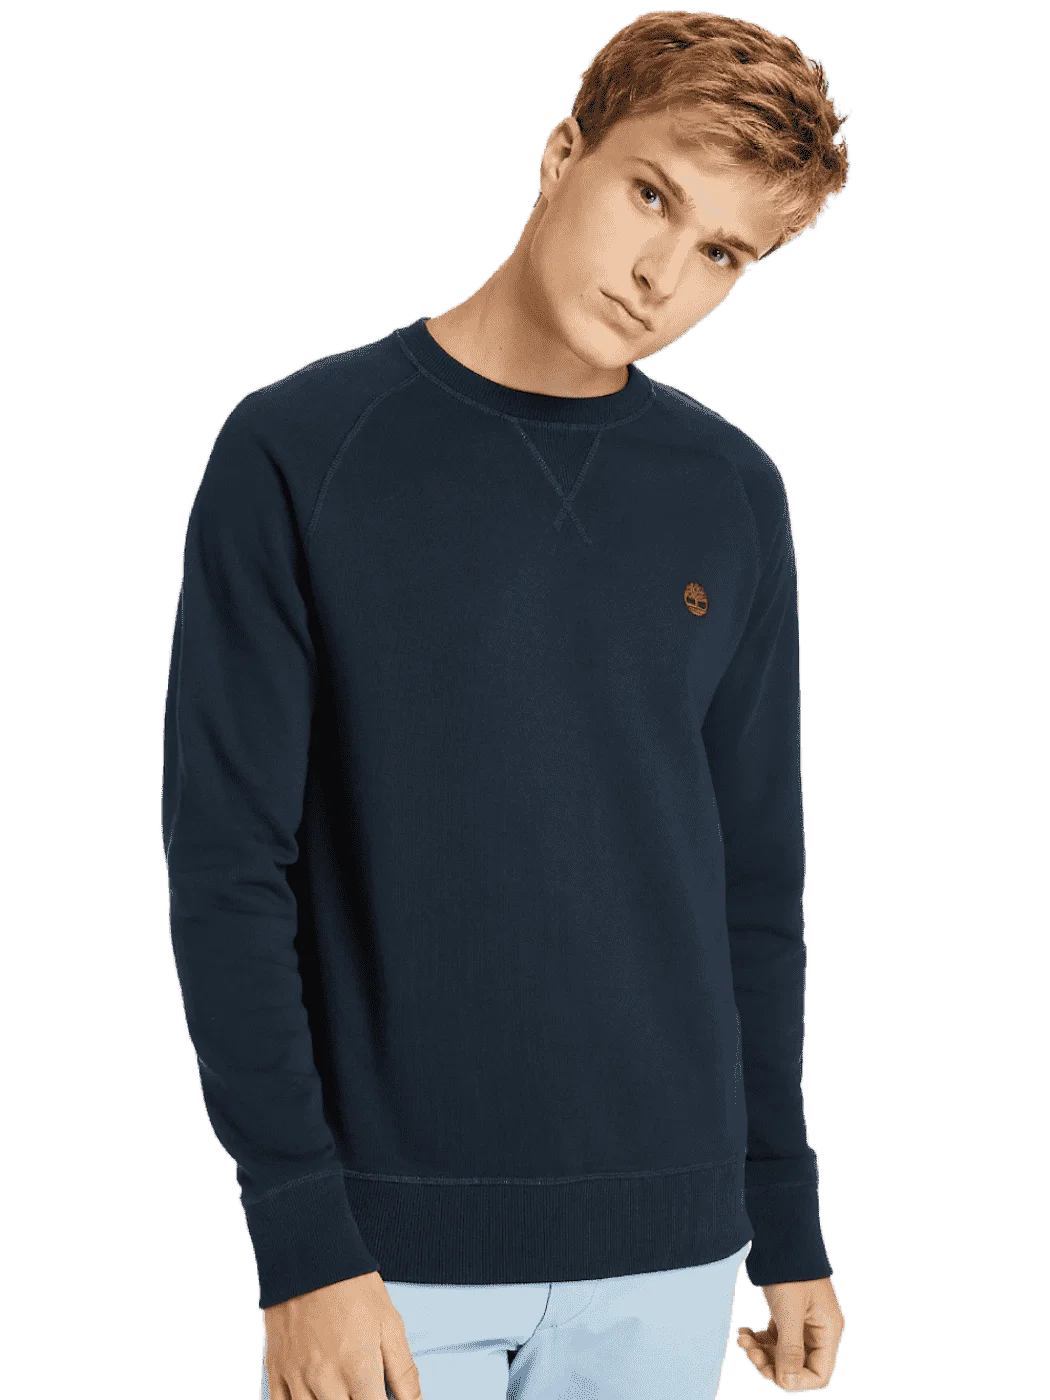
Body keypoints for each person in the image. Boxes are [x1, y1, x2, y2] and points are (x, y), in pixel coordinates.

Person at [160, 9, 852, 1398]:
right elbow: (230, 866)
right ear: (562, 153)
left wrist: (783, 1216)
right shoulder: (300, 451)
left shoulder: (728, 493)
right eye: (650, 194)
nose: (662, 275)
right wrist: (300, 1239)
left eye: (723, 253)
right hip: (386, 1263)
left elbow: (750, 884)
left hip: (668, 1256)